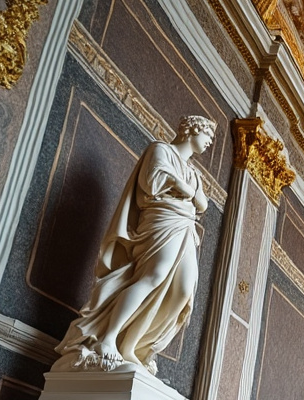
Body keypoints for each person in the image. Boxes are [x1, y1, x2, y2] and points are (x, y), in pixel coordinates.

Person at [54, 115, 215, 374]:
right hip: (162, 220)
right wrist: (180, 186)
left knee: (184, 290)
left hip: (185, 227)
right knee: (155, 276)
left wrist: (182, 185)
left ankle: (131, 346)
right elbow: (150, 183)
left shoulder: (193, 172)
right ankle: (109, 337)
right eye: (207, 135)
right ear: (191, 131)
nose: (209, 143)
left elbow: (203, 204)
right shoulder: (160, 150)